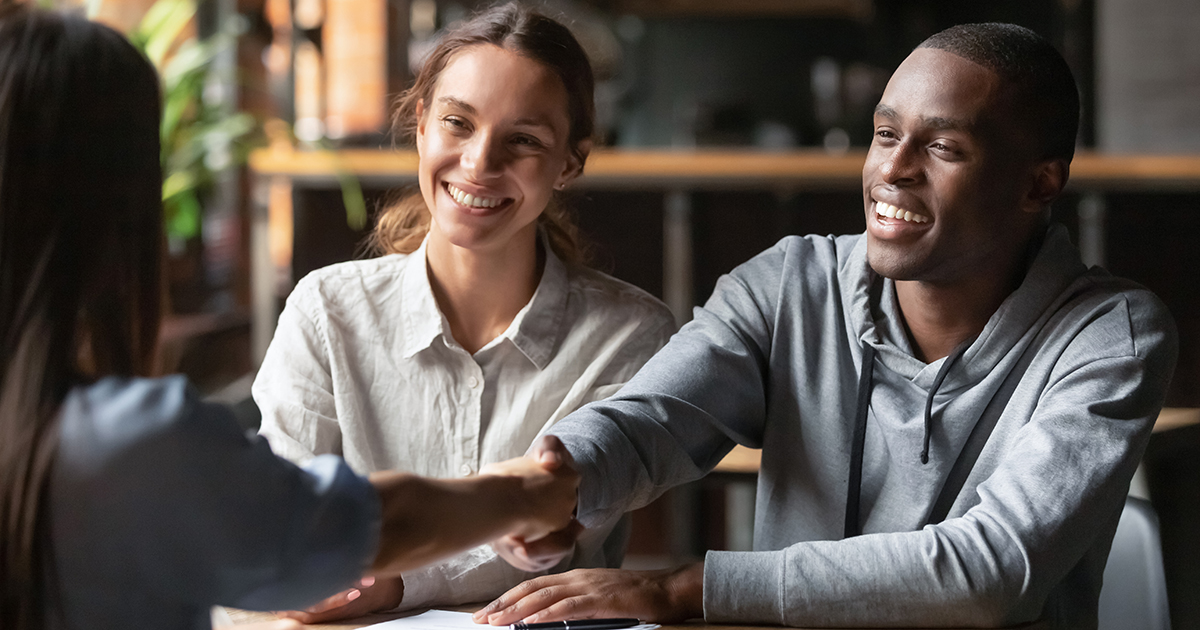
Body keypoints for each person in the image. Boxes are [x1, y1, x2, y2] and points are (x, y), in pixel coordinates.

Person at [474, 22, 1179, 629]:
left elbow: (993, 568)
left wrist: (685, 590)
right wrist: (563, 477)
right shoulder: (788, 284)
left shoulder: (1111, 334)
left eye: (943, 148)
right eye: (884, 134)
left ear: (1039, 185)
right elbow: (654, 419)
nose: (892, 171)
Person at [0, 6, 578, 630]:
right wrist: (526, 496)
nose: (481, 161)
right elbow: (346, 525)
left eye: (523, 139)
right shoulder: (132, 442)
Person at [252, 2, 676, 622]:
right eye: (458, 123)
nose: (479, 163)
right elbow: (284, 520)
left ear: (571, 161)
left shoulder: (630, 337)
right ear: (420, 124)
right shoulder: (325, 311)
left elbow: (555, 531)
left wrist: (394, 579)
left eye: (524, 140)